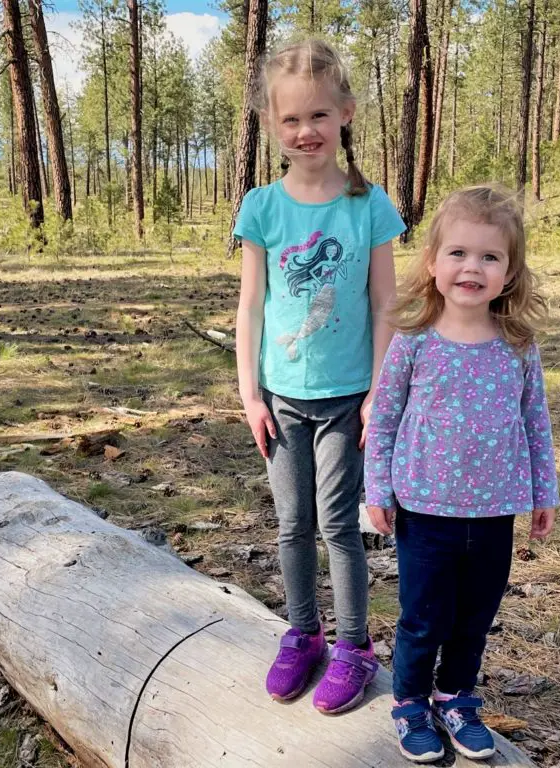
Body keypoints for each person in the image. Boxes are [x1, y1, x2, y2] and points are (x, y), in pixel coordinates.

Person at [233, 38, 405, 714]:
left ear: (345, 115)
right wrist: (249, 393)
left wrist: (378, 395)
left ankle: (354, 647)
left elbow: (387, 305)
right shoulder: (261, 208)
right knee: (291, 521)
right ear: (273, 126)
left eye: (319, 117)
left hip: (346, 399)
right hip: (280, 397)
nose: (305, 132)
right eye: (291, 120)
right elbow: (250, 306)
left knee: (339, 523)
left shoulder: (368, 206)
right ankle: (303, 633)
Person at [364, 185, 560, 761]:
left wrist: (543, 491)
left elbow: (535, 421)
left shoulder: (518, 346)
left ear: (509, 272)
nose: (472, 267)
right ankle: (409, 703)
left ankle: (456, 696)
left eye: (489, 257)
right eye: (458, 253)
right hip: (425, 512)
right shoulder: (414, 340)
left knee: (475, 616)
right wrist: (378, 487)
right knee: (424, 618)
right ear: (432, 263)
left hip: (495, 512)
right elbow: (386, 416)